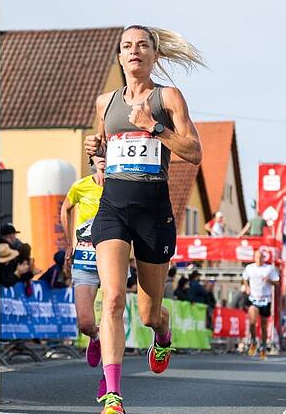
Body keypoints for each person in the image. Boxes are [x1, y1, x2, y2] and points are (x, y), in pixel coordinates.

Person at [84, 25, 204, 414]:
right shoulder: (105, 102)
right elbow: (101, 153)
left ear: (155, 55)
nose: (134, 51)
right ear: (119, 57)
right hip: (113, 206)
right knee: (114, 298)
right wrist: (94, 155)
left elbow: (195, 151)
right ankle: (114, 395)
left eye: (142, 46)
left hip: (153, 209)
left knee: (149, 311)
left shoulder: (167, 97)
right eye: (127, 46)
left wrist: (154, 127)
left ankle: (162, 332)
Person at [60, 156, 109, 399]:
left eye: (107, 154)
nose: (103, 159)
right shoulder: (81, 185)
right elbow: (65, 208)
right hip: (85, 259)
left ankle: (109, 381)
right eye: (99, 156)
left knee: (113, 320)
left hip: (113, 259)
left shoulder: (121, 185)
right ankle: (96, 338)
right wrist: (69, 243)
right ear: (93, 160)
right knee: (86, 323)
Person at [242, 247, 280, 360]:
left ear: (264, 258)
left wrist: (269, 280)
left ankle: (263, 346)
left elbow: (277, 282)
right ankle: (254, 341)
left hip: (265, 299)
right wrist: (247, 286)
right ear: (254, 258)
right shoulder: (250, 268)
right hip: (253, 298)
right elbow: (244, 278)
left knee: (263, 326)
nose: (259, 259)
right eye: (257, 257)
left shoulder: (269, 269)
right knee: (252, 322)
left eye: (261, 257)